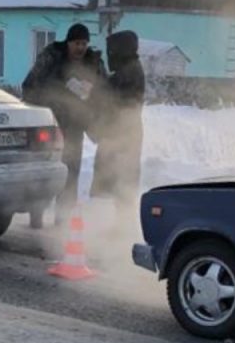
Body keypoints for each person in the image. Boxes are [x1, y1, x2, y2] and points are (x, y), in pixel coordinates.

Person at [22, 23, 106, 223]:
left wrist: (91, 93)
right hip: (49, 125)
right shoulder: (51, 57)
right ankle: (37, 213)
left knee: (71, 171)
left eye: (84, 43)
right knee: (45, 170)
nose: (80, 48)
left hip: (75, 125)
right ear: (68, 43)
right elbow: (30, 86)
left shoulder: (93, 64)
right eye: (77, 43)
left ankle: (62, 217)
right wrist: (62, 88)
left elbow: (105, 92)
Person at [91, 30, 146, 210]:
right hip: (123, 133)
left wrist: (97, 72)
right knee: (122, 180)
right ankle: (120, 224)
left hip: (122, 134)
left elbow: (109, 96)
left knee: (123, 179)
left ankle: (123, 226)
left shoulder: (130, 71)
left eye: (111, 51)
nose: (109, 56)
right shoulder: (130, 69)